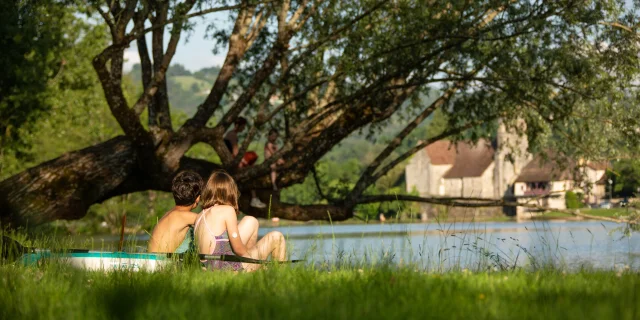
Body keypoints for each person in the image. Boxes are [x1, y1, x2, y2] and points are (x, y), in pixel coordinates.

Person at [194, 171, 287, 271]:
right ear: (230, 192)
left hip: (209, 268)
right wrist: (259, 262)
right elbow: (239, 250)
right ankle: (279, 277)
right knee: (277, 237)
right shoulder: (227, 210)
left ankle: (253, 273)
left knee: (251, 221)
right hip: (227, 269)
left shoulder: (200, 216)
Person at [148, 171, 203, 253]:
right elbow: (208, 222)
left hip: (150, 259)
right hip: (159, 262)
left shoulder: (170, 213)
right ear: (198, 198)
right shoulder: (185, 216)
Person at [224, 117, 266, 208]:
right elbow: (235, 153)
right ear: (238, 125)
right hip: (233, 162)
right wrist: (242, 162)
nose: (243, 128)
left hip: (232, 161)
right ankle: (254, 198)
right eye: (243, 126)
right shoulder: (232, 135)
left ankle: (253, 198)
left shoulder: (231, 134)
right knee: (250, 175)